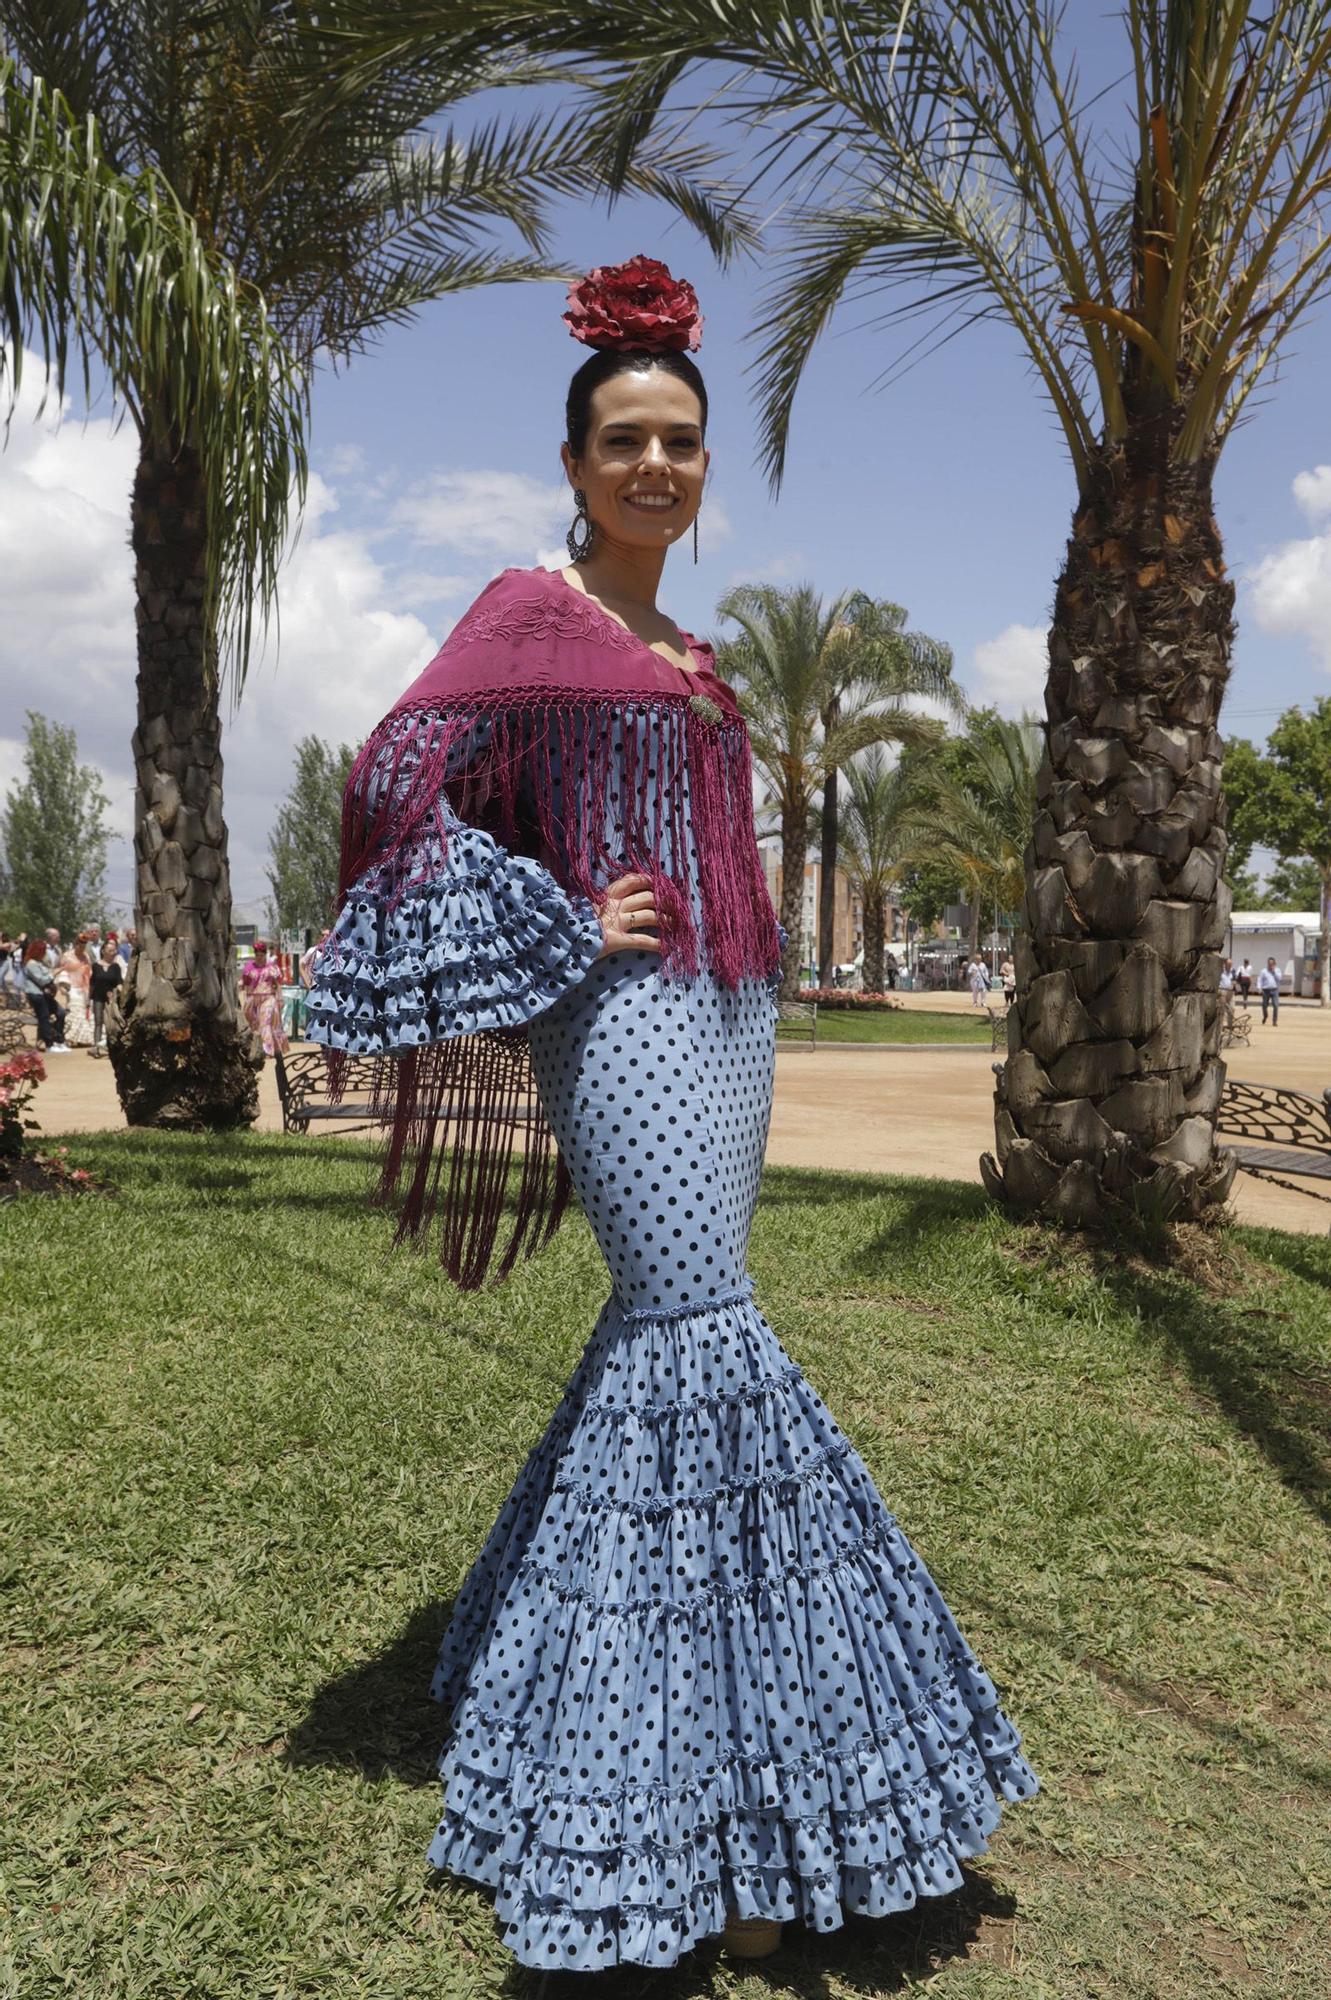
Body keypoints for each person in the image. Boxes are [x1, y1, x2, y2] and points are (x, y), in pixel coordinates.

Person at [306, 256, 1038, 1979]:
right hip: (618, 1011)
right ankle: (675, 1796)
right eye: (624, 439)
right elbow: (385, 791)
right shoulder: (523, 613)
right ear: (573, 464)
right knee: (699, 1325)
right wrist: (562, 919)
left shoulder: (698, 652)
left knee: (671, 1336)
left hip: (726, 1015)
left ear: (705, 469)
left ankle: (575, 1680)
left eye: (680, 443)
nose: (653, 465)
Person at [238, 940, 290, 1058]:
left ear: (265, 954)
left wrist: (280, 998)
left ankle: (267, 1050)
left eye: (261, 955)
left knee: (265, 1022)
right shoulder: (249, 967)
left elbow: (277, 984)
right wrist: (244, 999)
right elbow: (245, 985)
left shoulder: (272, 967)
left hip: (268, 997)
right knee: (255, 1025)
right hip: (253, 1000)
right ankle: (256, 1049)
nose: (259, 958)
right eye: (257, 955)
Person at [23, 939, 68, 1050]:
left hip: (45, 994)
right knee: (44, 1017)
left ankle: (58, 1039)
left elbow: (47, 973)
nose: (45, 953)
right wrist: (54, 973)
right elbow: (42, 980)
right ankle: (49, 1044)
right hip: (36, 994)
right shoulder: (31, 964)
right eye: (43, 951)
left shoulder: (39, 963)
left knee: (61, 1013)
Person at [89, 939, 124, 1055]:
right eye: (110, 950)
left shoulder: (116, 967)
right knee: (98, 1022)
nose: (113, 953)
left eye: (114, 951)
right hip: (98, 997)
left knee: (111, 1024)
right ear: (103, 951)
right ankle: (96, 1047)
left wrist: (119, 993)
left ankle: (112, 1048)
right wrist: (88, 999)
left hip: (111, 999)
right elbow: (92, 983)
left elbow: (119, 982)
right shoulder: (95, 966)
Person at [59, 934, 95, 1046]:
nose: (82, 947)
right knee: (75, 1010)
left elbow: (89, 971)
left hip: (85, 987)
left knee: (87, 1012)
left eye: (84, 945)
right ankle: (71, 1037)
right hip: (72, 987)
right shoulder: (67, 956)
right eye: (80, 944)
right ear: (76, 944)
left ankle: (84, 1039)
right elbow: (62, 971)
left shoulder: (86, 957)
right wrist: (63, 986)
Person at [1258, 955, 1281, 1026]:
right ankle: (1265, 1016)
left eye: (1272, 964)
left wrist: (1274, 971)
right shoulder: (1263, 971)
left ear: (1274, 964)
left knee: (1276, 1005)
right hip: (1265, 990)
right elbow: (1260, 980)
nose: (1270, 965)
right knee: (1264, 1005)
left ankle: (1274, 1021)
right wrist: (1259, 988)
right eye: (1269, 964)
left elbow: (1279, 978)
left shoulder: (1277, 970)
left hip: (1274, 990)